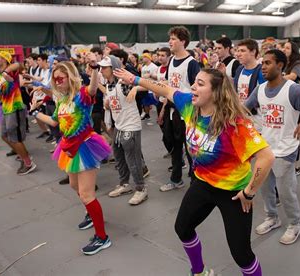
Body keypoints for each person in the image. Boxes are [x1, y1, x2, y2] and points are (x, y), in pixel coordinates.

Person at [114, 66, 275, 276]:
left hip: (233, 194)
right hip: (202, 183)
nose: (193, 87)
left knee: (241, 254)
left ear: (216, 92)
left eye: (200, 84)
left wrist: (249, 192)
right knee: (183, 228)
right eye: (194, 82)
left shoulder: (235, 124)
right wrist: (135, 79)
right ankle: (199, 272)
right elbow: (167, 90)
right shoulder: (190, 105)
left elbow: (266, 157)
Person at [245, 50, 300, 245]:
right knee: (265, 189)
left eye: (268, 63)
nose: (263, 67)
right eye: (262, 63)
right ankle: (272, 218)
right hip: (265, 148)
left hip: (285, 149)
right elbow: (245, 108)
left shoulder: (293, 90)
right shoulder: (260, 89)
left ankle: (295, 223)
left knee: (285, 191)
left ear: (280, 65)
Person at [33, 55, 112, 255]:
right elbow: (53, 122)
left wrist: (94, 68)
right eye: (55, 79)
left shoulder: (82, 96)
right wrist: (33, 112)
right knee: (74, 186)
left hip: (85, 146)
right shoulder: (61, 101)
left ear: (71, 77)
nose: (58, 82)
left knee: (87, 193)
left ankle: (102, 237)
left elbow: (93, 89)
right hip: (68, 148)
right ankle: (90, 211)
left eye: (62, 78)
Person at [100, 55, 149, 205]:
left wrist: (135, 87)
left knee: (132, 159)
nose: (101, 70)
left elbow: (147, 85)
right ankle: (124, 184)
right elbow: (112, 102)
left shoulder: (123, 83)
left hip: (131, 126)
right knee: (119, 157)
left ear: (113, 69)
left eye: (104, 68)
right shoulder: (109, 85)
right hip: (119, 126)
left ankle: (141, 189)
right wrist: (107, 105)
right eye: (101, 67)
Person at [161, 26, 200, 192]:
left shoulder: (192, 64)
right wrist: (164, 108)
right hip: (172, 112)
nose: (170, 41)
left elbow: (197, 89)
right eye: (170, 38)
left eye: (174, 38)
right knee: (175, 147)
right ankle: (176, 179)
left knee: (191, 150)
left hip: (188, 113)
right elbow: (169, 86)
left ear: (183, 42)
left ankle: (196, 182)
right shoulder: (171, 61)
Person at [0, 51, 37, 175]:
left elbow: (18, 64)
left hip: (15, 108)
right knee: (4, 136)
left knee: (14, 137)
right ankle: (22, 154)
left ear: (4, 59)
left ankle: (28, 163)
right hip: (6, 109)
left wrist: (5, 72)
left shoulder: (11, 70)